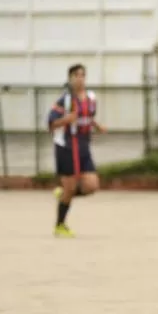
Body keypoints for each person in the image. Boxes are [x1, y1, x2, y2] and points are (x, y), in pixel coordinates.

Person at [48, 63, 107, 237]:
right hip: (67, 145)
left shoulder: (91, 98)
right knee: (70, 186)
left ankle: (64, 194)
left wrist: (97, 126)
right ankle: (60, 225)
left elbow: (88, 117)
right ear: (70, 78)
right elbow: (51, 123)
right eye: (76, 75)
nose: (80, 78)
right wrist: (66, 120)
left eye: (82, 75)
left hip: (83, 145)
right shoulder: (64, 100)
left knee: (91, 185)